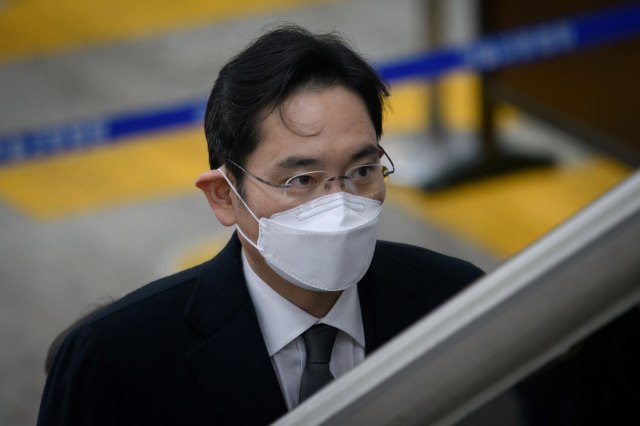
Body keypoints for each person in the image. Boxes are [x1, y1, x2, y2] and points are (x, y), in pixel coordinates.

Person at [37, 25, 483, 426]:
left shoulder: (458, 304)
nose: (340, 204)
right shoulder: (117, 362)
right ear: (224, 196)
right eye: (301, 180)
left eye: (362, 171)